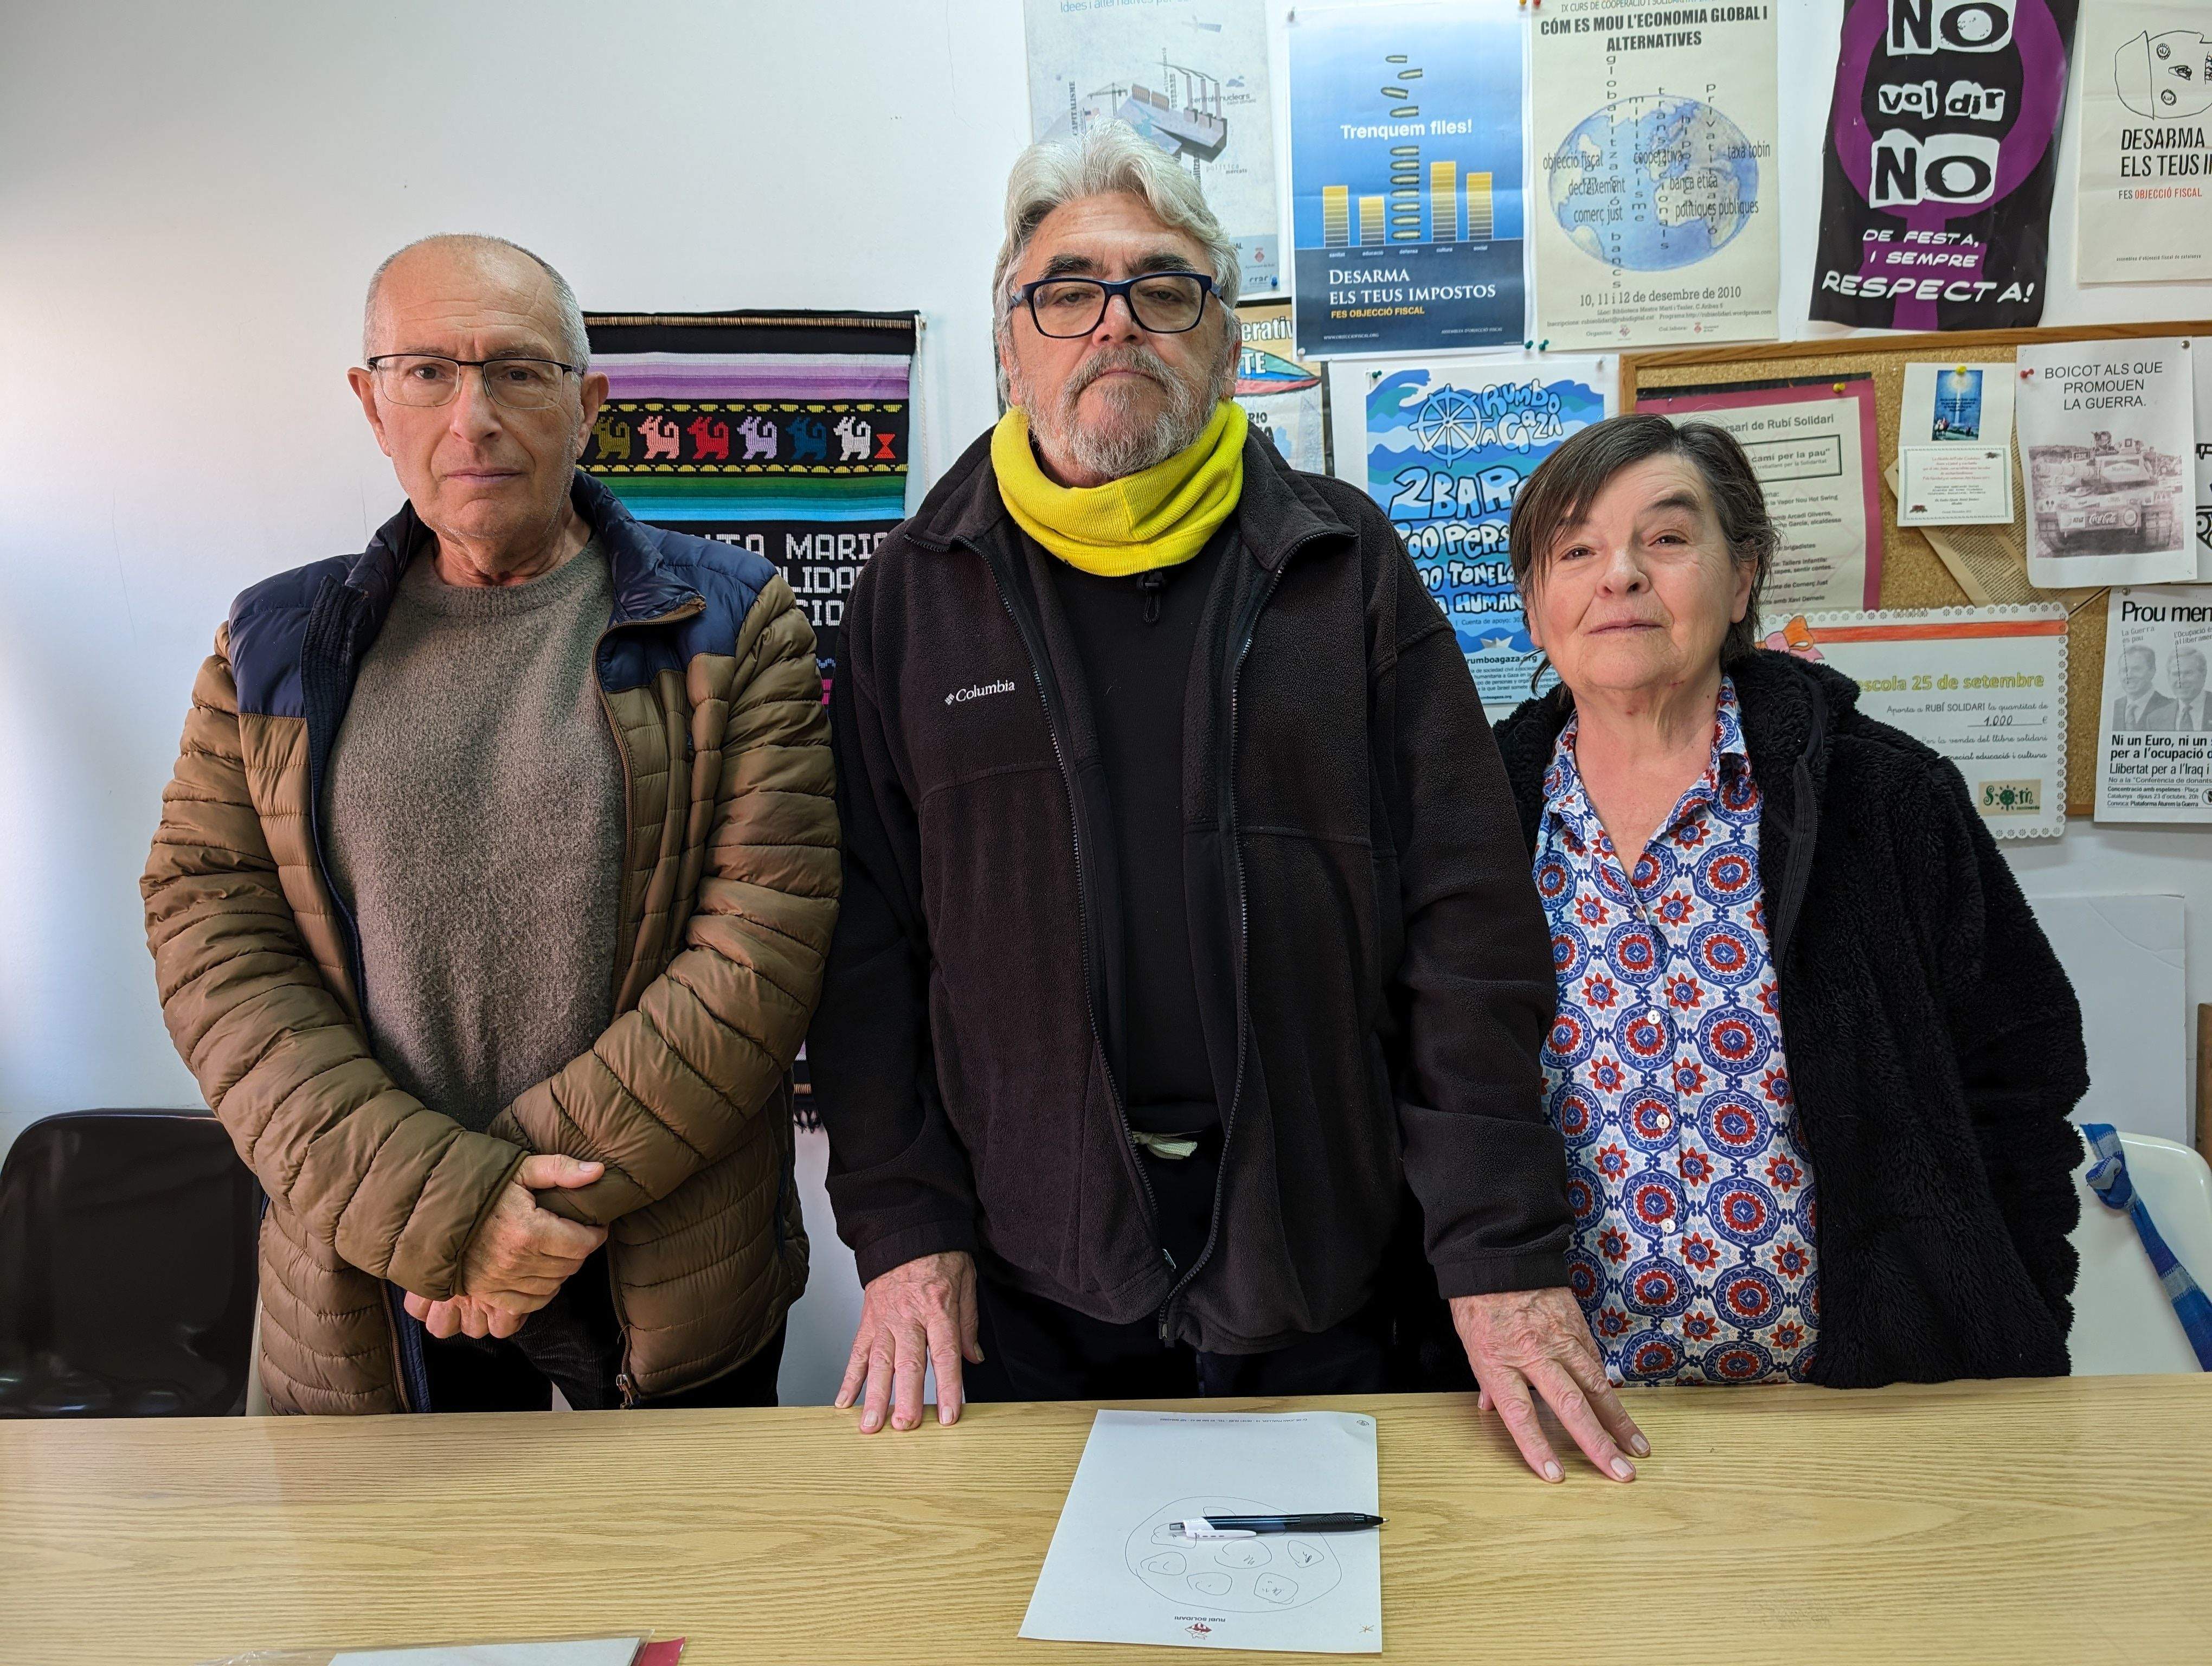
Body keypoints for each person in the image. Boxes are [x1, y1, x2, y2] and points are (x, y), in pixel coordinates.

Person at [807, 126, 1645, 1485]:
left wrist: (1497, 1252)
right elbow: (864, 945)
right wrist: (903, 1227)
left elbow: (1465, 923)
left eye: (1166, 286)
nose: (1115, 323)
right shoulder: (917, 590)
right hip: (1031, 1269)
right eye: (1065, 289)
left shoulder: (1342, 563)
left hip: (1322, 1253)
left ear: (1225, 341)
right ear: (1009, 342)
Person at [141, 235, 838, 1413]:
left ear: (590, 405)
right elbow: (215, 950)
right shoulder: (273, 644)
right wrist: (453, 1209)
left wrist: (525, 1215)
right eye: (426, 373)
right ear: (371, 403)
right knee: (405, 1602)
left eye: (519, 371)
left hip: (663, 1269)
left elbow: (763, 945)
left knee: (690, 1596)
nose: (473, 417)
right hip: (373, 1273)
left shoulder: (733, 620)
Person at [1492, 413, 2087, 1388]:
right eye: (1576, 548)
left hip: (1864, 1404)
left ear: (1744, 577)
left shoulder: (1885, 799)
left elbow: (2020, 1077)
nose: (1621, 575)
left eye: (1669, 538)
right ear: (1533, 601)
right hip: (1553, 1411)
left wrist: (2011, 1314)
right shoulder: (1472, 823)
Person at [2111, 644, 2176, 733]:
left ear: (2152, 672)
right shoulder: (2113, 708)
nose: (2129, 676)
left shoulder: (2170, 708)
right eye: (2124, 670)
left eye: (2136, 669)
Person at [2165, 646, 2209, 732]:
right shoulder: (2155, 719)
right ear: (2168, 677)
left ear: (2203, 674)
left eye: (2188, 673)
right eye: (2176, 674)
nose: (2181, 681)